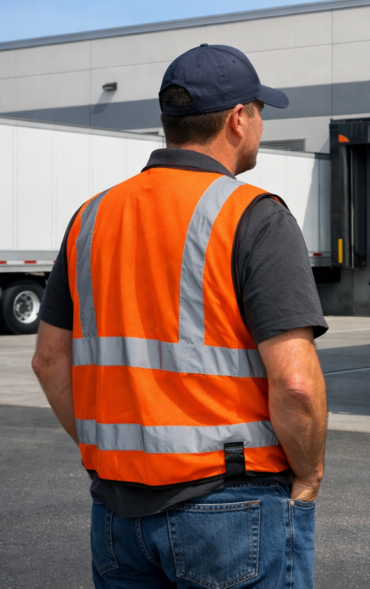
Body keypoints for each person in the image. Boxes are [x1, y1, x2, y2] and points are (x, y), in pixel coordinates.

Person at [31, 44, 329, 588]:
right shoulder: (253, 215)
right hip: (232, 503)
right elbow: (294, 382)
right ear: (239, 119)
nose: (261, 123)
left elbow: (50, 362)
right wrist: (308, 475)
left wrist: (116, 452)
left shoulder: (90, 218)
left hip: (118, 513)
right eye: (261, 111)